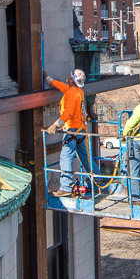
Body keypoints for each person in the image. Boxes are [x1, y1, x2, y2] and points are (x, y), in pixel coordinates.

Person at [48, 69, 90, 197]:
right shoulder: (78, 91)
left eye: (69, 76)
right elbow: (64, 87)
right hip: (80, 130)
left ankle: (65, 186)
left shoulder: (72, 94)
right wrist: (50, 80)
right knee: (84, 156)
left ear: (71, 79)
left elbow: (68, 113)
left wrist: (56, 125)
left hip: (72, 130)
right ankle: (98, 177)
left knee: (66, 157)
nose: (67, 76)